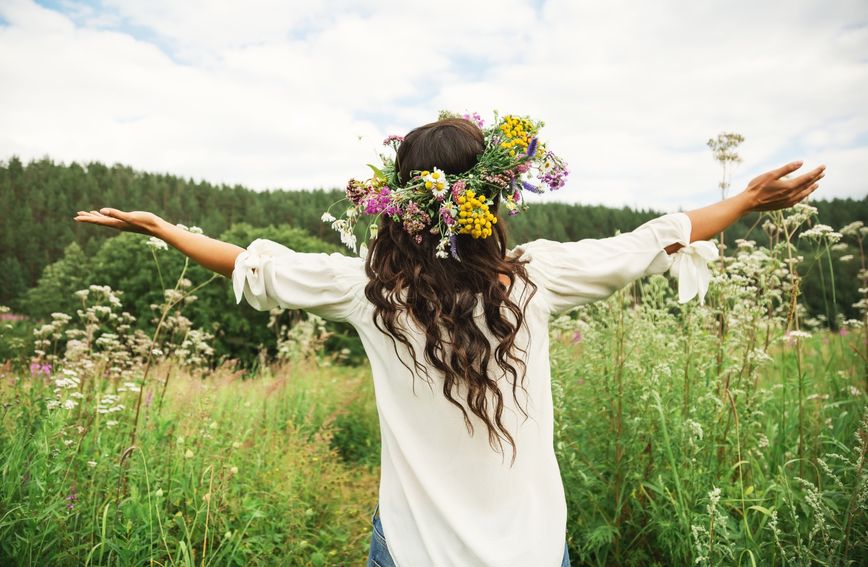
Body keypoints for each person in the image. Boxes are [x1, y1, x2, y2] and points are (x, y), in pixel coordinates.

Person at [74, 115, 824, 567]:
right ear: (495, 197)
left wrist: (165, 229)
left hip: (412, 548)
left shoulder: (367, 291)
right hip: (532, 549)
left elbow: (252, 263)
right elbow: (656, 237)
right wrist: (750, 199)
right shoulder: (539, 280)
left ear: (400, 201)